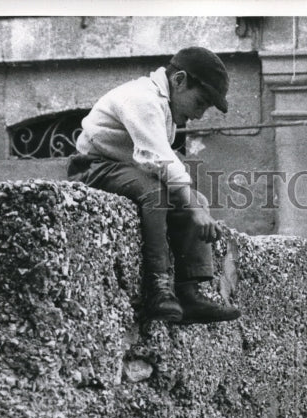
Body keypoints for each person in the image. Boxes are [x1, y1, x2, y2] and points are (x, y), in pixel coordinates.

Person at [67, 46, 240, 325]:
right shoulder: (142, 98)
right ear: (179, 80)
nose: (198, 116)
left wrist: (196, 207)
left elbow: (160, 163)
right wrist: (193, 207)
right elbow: (157, 158)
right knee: (157, 193)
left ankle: (189, 291)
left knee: (196, 201)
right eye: (199, 103)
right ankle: (158, 287)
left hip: (127, 169)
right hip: (94, 168)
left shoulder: (165, 106)